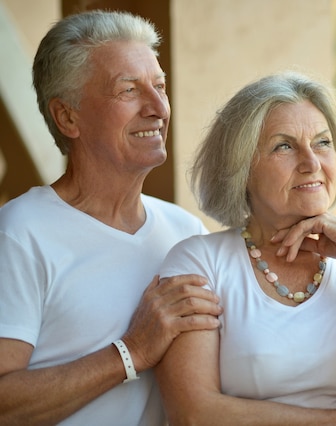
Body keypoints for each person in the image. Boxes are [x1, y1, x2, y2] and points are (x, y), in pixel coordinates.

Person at [156, 71, 336, 425]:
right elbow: (194, 414)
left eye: (323, 143)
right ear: (241, 167)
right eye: (284, 146)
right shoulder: (200, 263)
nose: (312, 163)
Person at [0, 10, 223, 425]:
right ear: (68, 116)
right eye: (129, 90)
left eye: (160, 86)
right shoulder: (19, 233)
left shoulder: (186, 233)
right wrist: (132, 351)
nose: (157, 107)